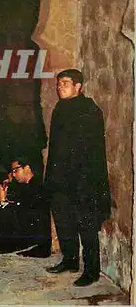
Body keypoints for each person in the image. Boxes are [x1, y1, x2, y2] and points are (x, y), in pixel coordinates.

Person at [45, 69, 111, 286]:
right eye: (58, 84)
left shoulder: (90, 110)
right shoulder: (60, 109)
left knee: (87, 225)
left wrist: (84, 181)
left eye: (65, 83)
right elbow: (55, 148)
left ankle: (91, 271)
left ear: (78, 86)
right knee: (64, 221)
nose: (59, 87)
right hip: (61, 179)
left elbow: (91, 151)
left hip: (83, 180)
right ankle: (70, 260)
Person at [0, 156, 51, 256]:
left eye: (16, 170)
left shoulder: (36, 187)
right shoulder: (24, 185)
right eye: (12, 171)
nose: (13, 174)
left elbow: (21, 215)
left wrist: (3, 201)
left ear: (26, 168)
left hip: (30, 235)